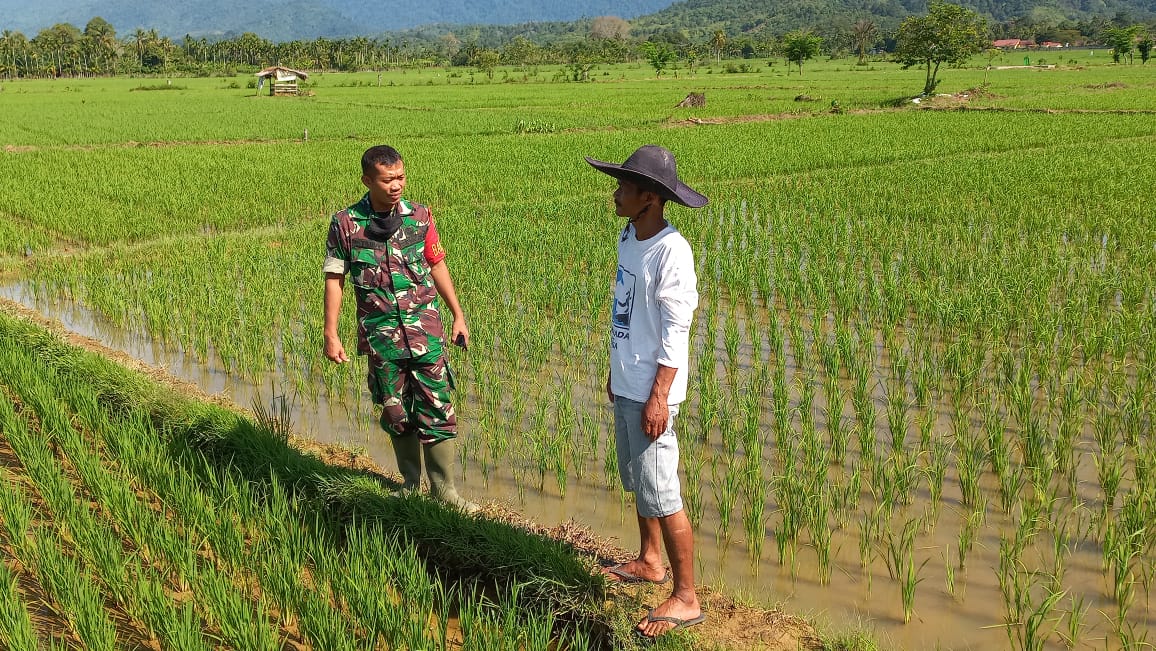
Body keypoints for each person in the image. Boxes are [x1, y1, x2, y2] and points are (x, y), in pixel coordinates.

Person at [585, 145, 707, 638]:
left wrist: (659, 395)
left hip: (653, 390)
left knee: (665, 492)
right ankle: (649, 560)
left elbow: (677, 332)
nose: (615, 193)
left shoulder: (672, 251)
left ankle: (686, 597)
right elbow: (625, 311)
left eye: (623, 186)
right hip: (627, 379)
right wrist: (614, 370)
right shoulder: (629, 234)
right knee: (638, 478)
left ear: (650, 198)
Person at [322, 144, 477, 513]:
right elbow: (334, 278)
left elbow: (437, 265)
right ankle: (410, 484)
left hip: (426, 333)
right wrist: (330, 333)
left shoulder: (420, 217)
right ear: (367, 180)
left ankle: (445, 493)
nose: (397, 185)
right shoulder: (345, 224)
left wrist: (458, 314)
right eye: (388, 179)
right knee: (396, 412)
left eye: (401, 177)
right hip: (381, 338)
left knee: (438, 408)